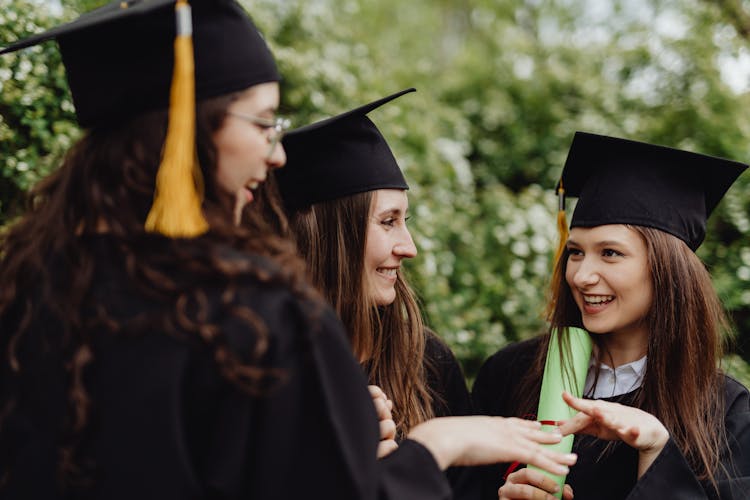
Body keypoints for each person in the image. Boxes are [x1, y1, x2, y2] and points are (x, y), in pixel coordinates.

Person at [0, 1, 578, 498]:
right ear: (188, 134)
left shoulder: (29, 293)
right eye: (263, 123)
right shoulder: (257, 318)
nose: (275, 155)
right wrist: (432, 447)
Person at [472, 131, 750, 500]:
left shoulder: (724, 412)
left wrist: (654, 452)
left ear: (668, 271)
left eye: (610, 253)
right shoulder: (510, 373)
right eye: (575, 252)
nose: (582, 276)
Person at [275, 89, 479, 498]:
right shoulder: (262, 369)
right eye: (388, 222)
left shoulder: (427, 362)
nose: (409, 246)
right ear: (329, 236)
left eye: (405, 220)